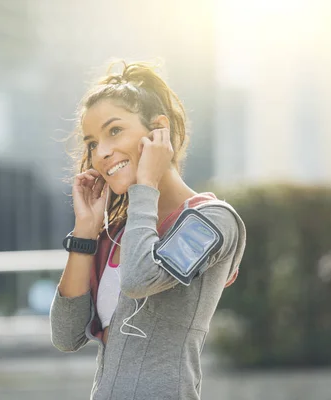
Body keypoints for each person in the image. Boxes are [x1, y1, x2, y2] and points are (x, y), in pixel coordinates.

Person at [50, 60, 246, 400]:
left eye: (114, 131)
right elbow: (66, 335)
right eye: (92, 143)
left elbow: (139, 281)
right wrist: (85, 232)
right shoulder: (121, 232)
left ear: (158, 130)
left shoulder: (214, 220)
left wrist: (145, 185)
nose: (103, 153)